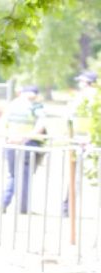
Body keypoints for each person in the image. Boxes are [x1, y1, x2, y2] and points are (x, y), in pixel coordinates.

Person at [2, 85, 46, 215]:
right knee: (24, 175)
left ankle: (4, 202)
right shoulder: (36, 106)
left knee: (13, 175)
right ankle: (23, 207)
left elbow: (3, 123)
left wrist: (9, 137)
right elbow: (41, 126)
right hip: (28, 144)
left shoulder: (12, 105)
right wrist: (25, 138)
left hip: (11, 143)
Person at [63, 71, 97, 217]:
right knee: (74, 177)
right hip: (81, 140)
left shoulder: (92, 98)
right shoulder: (79, 97)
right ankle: (67, 208)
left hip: (89, 141)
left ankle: (66, 208)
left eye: (81, 81)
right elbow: (69, 118)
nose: (79, 84)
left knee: (74, 176)